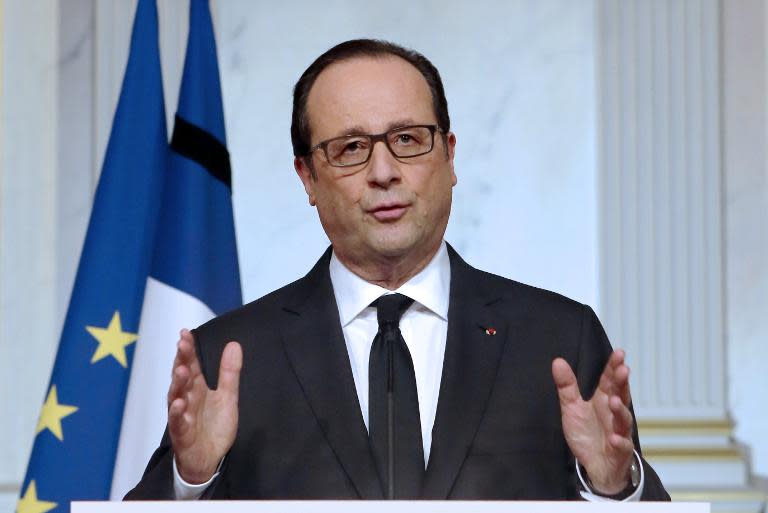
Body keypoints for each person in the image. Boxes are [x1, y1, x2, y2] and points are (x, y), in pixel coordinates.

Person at [125, 39, 669, 501]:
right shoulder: (230, 356)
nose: (383, 172)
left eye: (407, 140)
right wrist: (190, 480)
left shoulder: (557, 340)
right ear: (307, 178)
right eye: (351, 148)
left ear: (450, 156)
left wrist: (612, 488)